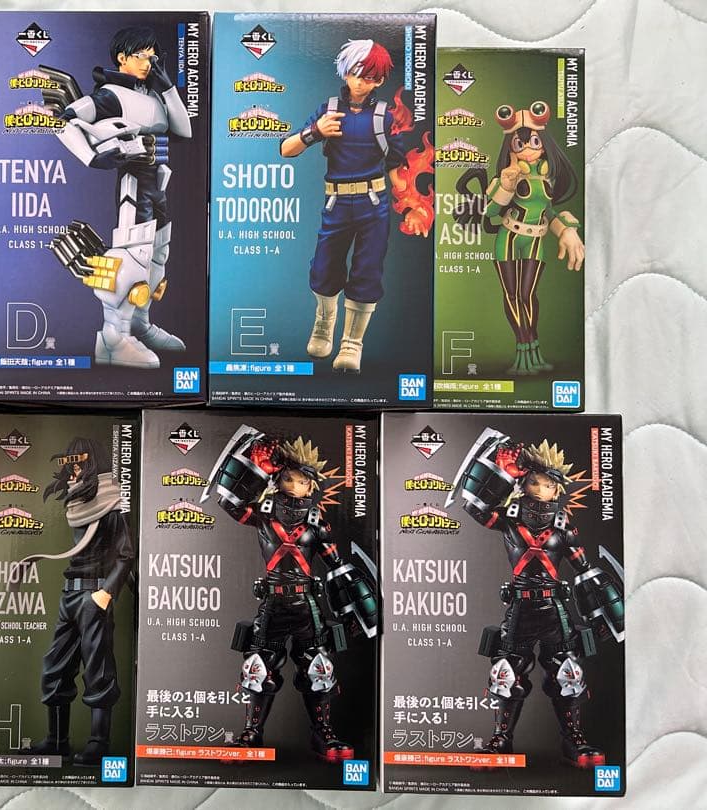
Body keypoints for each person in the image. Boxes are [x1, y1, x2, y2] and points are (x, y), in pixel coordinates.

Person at [449, 433, 624, 767]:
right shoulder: (509, 519)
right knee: (506, 674)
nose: (539, 488)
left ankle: (574, 740)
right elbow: (473, 506)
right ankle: (501, 740)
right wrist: (502, 474)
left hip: (555, 610)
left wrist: (603, 614)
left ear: (556, 490)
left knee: (567, 675)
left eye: (546, 484)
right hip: (520, 610)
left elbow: (585, 570)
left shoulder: (564, 527)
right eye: (533, 481)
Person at [204, 428, 377, 760]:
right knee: (258, 669)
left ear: (311, 487)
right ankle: (251, 734)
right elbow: (228, 501)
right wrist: (257, 467)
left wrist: (355, 612)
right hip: (272, 604)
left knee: (319, 670)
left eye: (300, 481)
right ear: (277, 479)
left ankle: (323, 733)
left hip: (307, 607)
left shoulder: (317, 525)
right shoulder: (264, 516)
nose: (293, 485)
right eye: (287, 478)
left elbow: (338, 568)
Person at [44, 26, 192, 368]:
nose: (148, 62)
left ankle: (138, 324)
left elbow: (183, 131)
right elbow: (65, 120)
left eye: (153, 56)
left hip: (157, 182)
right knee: (131, 258)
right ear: (122, 58)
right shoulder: (110, 95)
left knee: (157, 255)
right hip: (134, 181)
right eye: (141, 55)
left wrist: (167, 86)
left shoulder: (154, 95)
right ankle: (114, 337)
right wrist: (93, 157)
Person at [280, 40, 432, 373]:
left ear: (380, 80)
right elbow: (286, 149)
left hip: (372, 204)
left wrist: (412, 205)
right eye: (356, 73)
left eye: (370, 76)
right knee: (324, 267)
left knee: (367, 269)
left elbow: (397, 169)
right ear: (345, 72)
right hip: (336, 201)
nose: (361, 82)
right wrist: (315, 131)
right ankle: (324, 326)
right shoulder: (330, 109)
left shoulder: (386, 117)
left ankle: (352, 342)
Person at [19, 438, 133, 766]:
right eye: (70, 462)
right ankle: (57, 742)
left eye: (80, 461)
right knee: (55, 666)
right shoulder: (76, 503)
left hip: (94, 593)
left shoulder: (110, 502)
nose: (73, 468)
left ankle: (98, 743)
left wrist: (105, 594)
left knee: (98, 668)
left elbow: (126, 554)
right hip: (70, 594)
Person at [455, 101, 583, 375]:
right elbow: (490, 211)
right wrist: (507, 185)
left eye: (534, 142)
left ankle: (534, 349)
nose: (527, 148)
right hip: (509, 239)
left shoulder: (546, 178)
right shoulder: (506, 176)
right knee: (512, 295)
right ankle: (524, 350)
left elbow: (549, 212)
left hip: (535, 240)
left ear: (544, 144)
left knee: (528, 294)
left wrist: (567, 230)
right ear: (511, 147)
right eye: (519, 143)